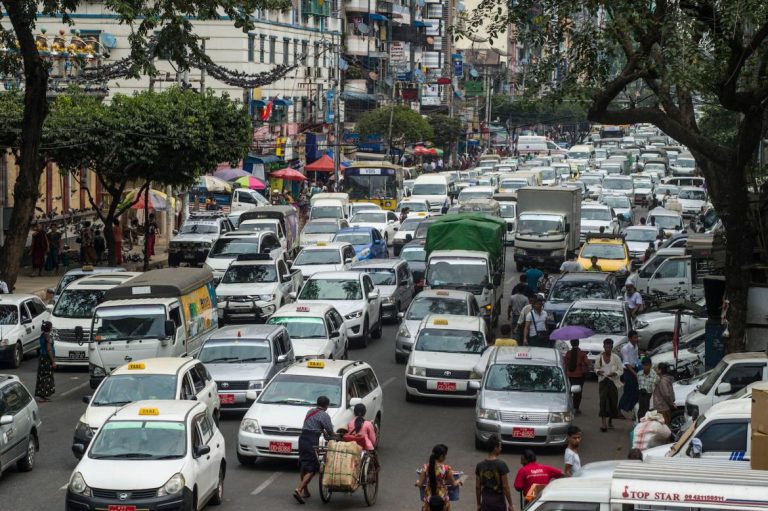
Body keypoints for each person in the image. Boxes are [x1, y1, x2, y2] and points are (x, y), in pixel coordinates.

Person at [294, 395, 335, 503]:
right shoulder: (324, 415)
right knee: (313, 468)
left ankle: (306, 492)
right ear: (326, 406)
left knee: (304, 464)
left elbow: (313, 425)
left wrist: (322, 430)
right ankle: (299, 489)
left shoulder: (310, 411)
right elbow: (330, 431)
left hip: (302, 438)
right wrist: (333, 436)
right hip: (311, 440)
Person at [475, 434, 514, 511]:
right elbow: (505, 487)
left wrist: (479, 504)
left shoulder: (480, 465)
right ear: (495, 448)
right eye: (500, 447)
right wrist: (510, 504)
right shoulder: (501, 464)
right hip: (498, 503)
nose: (501, 448)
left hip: (485, 502)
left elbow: (478, 487)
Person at [416, 444, 460, 511]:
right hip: (442, 495)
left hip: (429, 495)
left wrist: (417, 482)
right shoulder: (446, 468)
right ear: (442, 456)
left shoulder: (425, 467)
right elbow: (453, 484)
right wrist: (459, 481)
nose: (446, 457)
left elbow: (420, 484)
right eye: (445, 455)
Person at [594, 338, 623, 432]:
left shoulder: (616, 358)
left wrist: (615, 374)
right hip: (603, 381)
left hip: (613, 382)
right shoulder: (599, 357)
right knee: (603, 402)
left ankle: (610, 420)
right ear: (604, 347)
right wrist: (599, 372)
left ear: (612, 347)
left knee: (612, 403)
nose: (608, 349)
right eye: (606, 347)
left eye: (610, 347)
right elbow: (596, 368)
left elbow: (621, 370)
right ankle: (604, 424)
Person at [619, 330, 640, 420]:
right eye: (634, 337)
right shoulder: (625, 348)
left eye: (637, 337)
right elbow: (627, 363)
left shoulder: (636, 347)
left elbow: (636, 358)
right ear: (630, 338)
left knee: (635, 391)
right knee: (628, 390)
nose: (636, 339)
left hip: (634, 369)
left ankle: (631, 409)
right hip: (628, 371)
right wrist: (635, 374)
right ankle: (620, 408)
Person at [564, 339, 590, 414]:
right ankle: (576, 408)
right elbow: (586, 362)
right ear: (578, 343)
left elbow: (565, 363)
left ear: (571, 344)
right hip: (579, 375)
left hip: (570, 375)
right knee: (578, 393)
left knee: (569, 391)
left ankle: (569, 407)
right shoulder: (582, 353)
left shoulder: (568, 353)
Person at [35, 321, 56, 402]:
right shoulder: (48, 337)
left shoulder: (42, 335)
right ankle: (42, 395)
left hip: (42, 358)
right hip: (47, 358)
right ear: (49, 328)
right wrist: (53, 361)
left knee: (42, 375)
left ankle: (42, 396)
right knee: (46, 376)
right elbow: (49, 349)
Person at [652, 363, 676, 427]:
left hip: (662, 407)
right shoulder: (664, 379)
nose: (655, 370)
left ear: (660, 370)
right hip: (663, 407)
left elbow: (666, 394)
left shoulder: (662, 381)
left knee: (664, 427)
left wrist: (671, 404)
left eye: (656, 368)